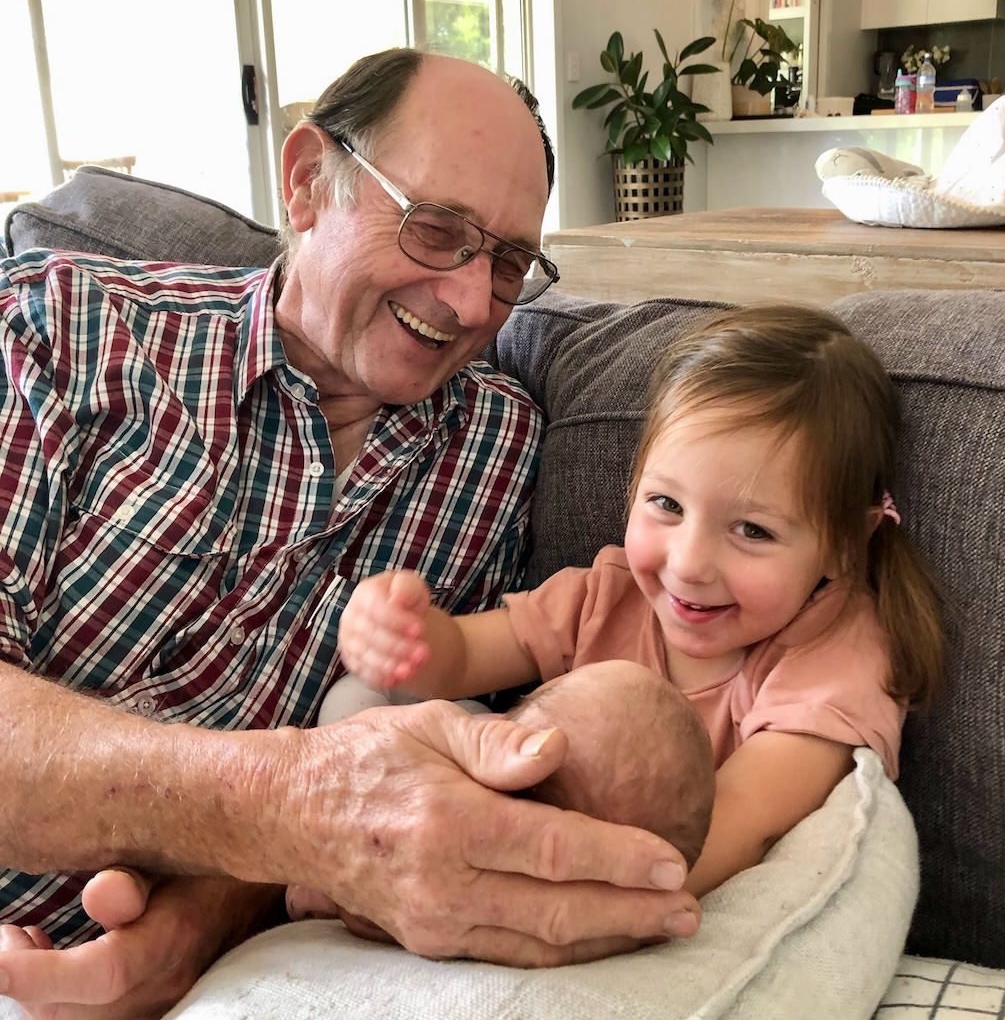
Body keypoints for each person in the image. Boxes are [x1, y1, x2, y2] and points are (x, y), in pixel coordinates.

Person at [0, 49, 703, 1019]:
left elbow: (397, 767)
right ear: (306, 182)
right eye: (436, 229)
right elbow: (328, 800)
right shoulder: (62, 331)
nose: (466, 304)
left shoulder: (495, 452)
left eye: (506, 264)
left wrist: (204, 917)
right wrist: (290, 812)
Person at [336, 303, 946, 900]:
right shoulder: (608, 594)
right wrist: (406, 636)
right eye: (667, 505)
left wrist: (567, 893)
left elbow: (744, 822)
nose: (687, 564)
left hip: (648, 878)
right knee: (359, 699)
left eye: (753, 531)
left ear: (844, 545)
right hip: (505, 813)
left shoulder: (833, 650)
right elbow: (465, 658)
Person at [288, 663, 717, 933]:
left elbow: (373, 894)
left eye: (542, 694)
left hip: (367, 745)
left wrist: (323, 892)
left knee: (352, 698)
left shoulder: (435, 834)